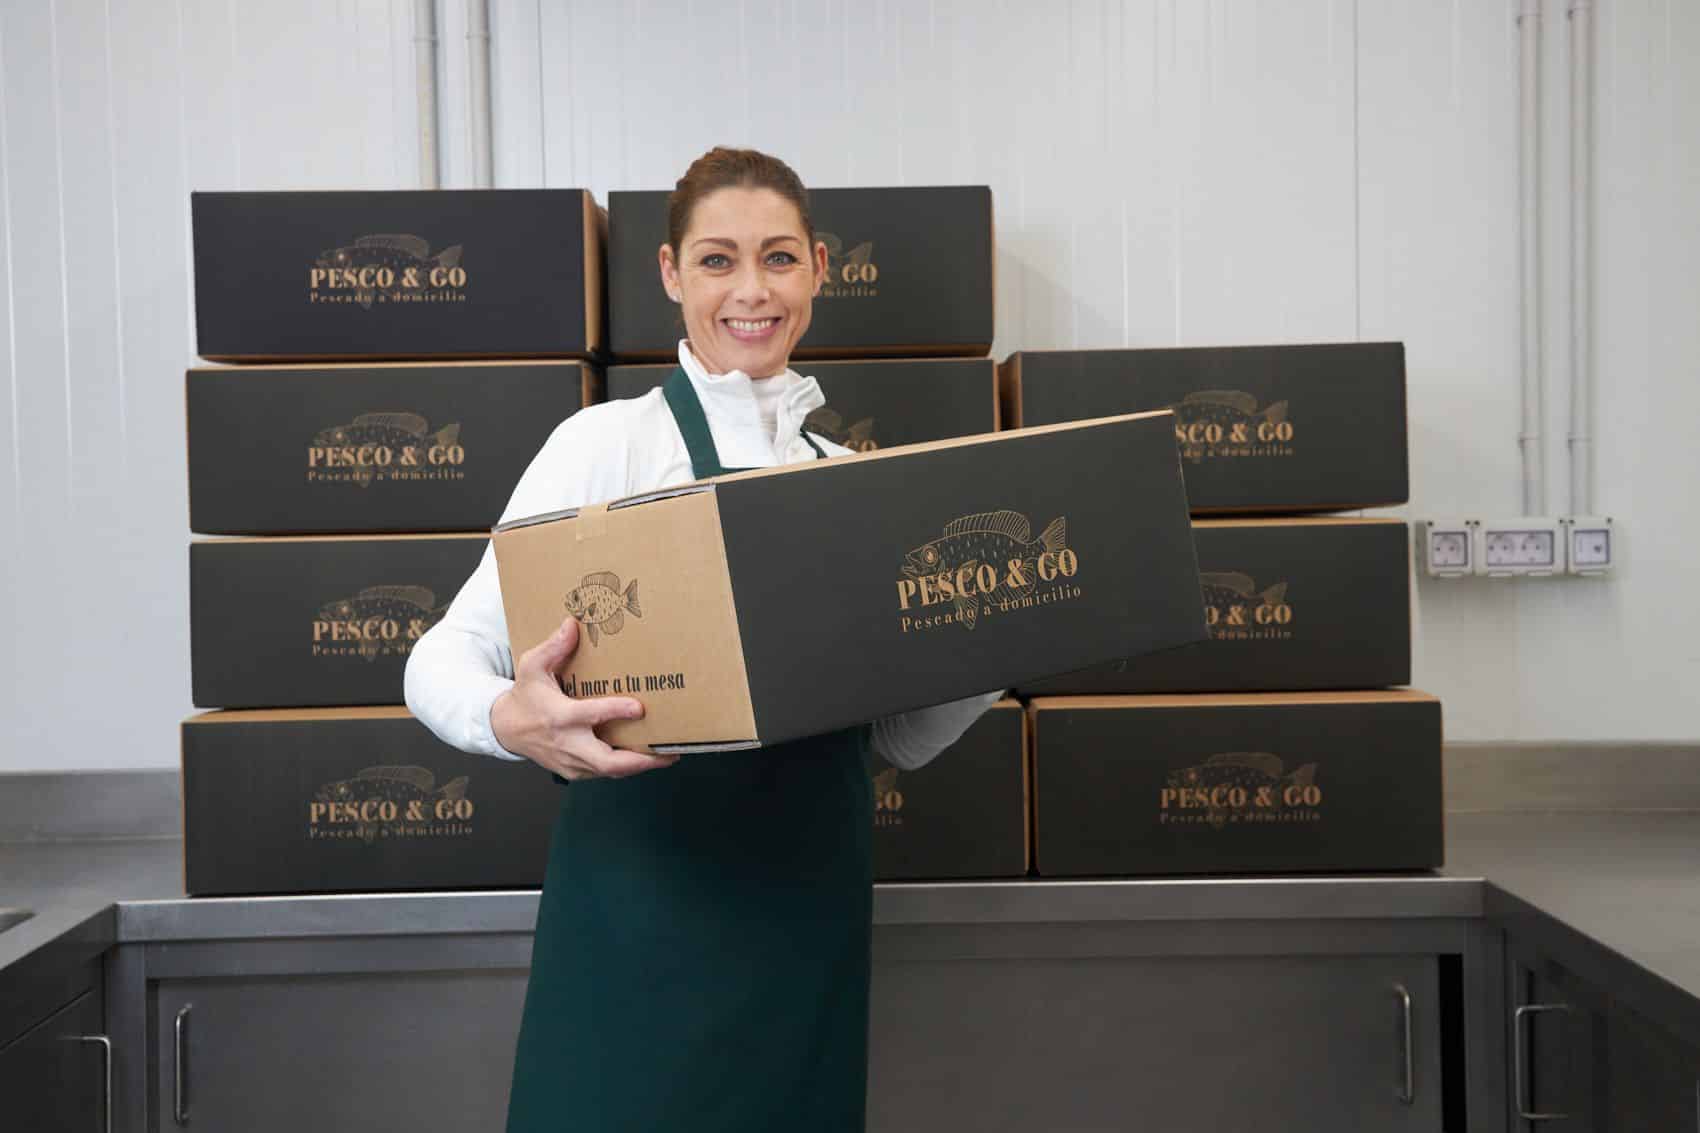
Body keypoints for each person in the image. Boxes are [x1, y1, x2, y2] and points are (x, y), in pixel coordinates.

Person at [404, 146, 1001, 1133]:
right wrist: (510, 718)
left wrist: (997, 648)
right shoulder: (605, 446)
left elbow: (896, 737)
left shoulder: (851, 478)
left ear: (817, 269)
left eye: (778, 257)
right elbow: (440, 654)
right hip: (636, 916)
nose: (751, 290)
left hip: (805, 921)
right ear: (672, 275)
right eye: (717, 260)